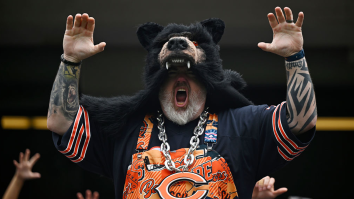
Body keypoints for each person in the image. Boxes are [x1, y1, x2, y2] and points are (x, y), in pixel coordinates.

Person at [48, 6, 316, 199]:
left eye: (189, 73)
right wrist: (70, 61)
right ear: (157, 81)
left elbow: (300, 123)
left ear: (208, 78)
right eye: (171, 75)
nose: (180, 79)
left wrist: (294, 56)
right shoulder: (125, 129)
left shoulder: (243, 124)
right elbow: (61, 124)